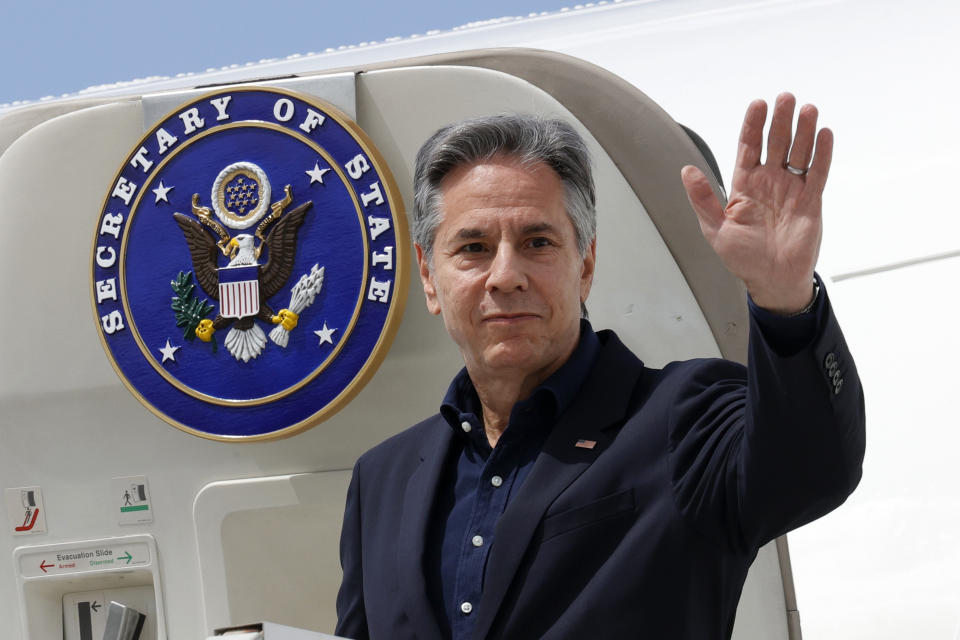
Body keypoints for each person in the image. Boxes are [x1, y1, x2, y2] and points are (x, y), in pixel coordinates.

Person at [336, 94, 865, 640]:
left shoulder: (683, 418)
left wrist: (784, 299)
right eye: (473, 247)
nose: (505, 275)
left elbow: (813, 468)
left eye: (537, 242)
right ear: (429, 277)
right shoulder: (382, 480)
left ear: (584, 264)